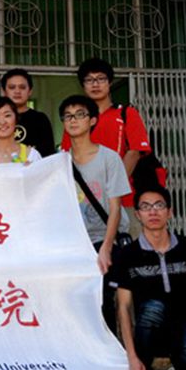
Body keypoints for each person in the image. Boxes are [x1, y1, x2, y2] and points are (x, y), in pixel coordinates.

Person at [112, 186, 186, 370]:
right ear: (138, 215)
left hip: (184, 327)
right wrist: (131, 356)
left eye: (159, 205)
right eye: (146, 207)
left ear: (170, 212)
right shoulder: (128, 254)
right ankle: (143, 363)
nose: (153, 212)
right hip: (148, 333)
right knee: (153, 307)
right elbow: (123, 307)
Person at [60, 93, 130, 335]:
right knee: (76, 301)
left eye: (80, 115)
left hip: (104, 238)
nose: (73, 120)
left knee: (104, 299)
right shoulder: (60, 162)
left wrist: (107, 248)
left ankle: (110, 350)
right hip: (75, 242)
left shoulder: (109, 158)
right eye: (68, 116)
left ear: (92, 120)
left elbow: (115, 207)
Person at [60, 57, 151, 229]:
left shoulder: (126, 113)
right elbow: (67, 157)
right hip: (85, 200)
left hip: (123, 198)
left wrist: (113, 187)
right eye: (89, 80)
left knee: (125, 241)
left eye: (101, 79)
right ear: (83, 86)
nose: (95, 84)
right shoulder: (74, 121)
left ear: (109, 82)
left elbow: (134, 152)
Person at [0, 68, 56, 156]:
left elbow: (48, 154)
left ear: (30, 91)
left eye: (22, 87)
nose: (17, 91)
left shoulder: (40, 119)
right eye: (12, 87)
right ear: (4, 92)